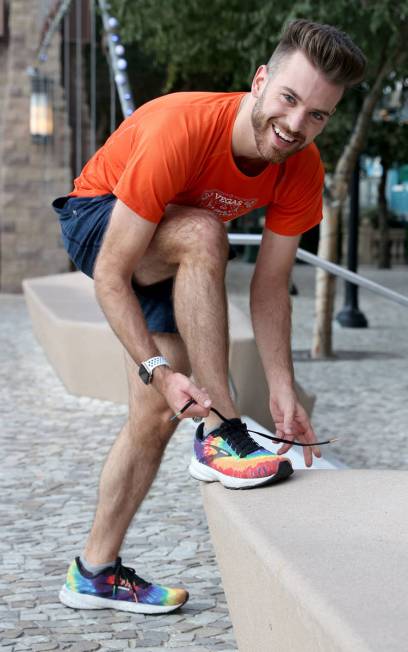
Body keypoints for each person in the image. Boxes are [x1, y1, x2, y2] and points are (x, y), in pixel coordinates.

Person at [52, 19, 365, 615]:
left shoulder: (302, 168)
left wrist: (281, 390)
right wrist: (156, 367)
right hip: (102, 215)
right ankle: (221, 433)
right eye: (289, 99)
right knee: (201, 232)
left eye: (318, 115)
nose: (296, 125)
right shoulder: (183, 127)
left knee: (152, 415)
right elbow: (113, 276)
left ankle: (92, 571)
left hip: (168, 244)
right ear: (261, 80)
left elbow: (271, 289)